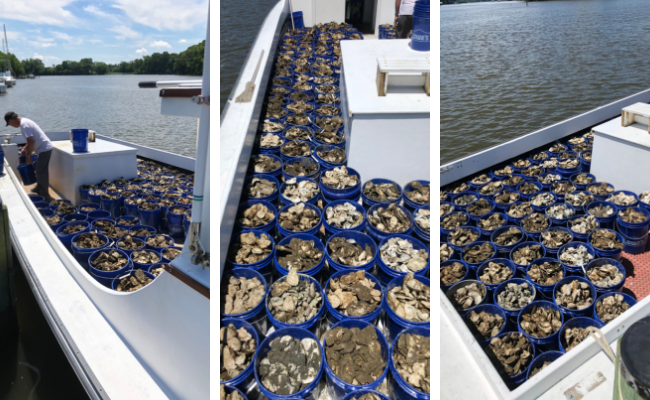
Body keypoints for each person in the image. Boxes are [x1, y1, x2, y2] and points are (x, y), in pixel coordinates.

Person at [5, 112, 54, 201]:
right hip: (42, 148)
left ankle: (46, 196)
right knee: (39, 171)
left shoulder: (24, 125)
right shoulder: (24, 122)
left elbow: (31, 141)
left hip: (45, 148)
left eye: (9, 124)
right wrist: (24, 148)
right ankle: (39, 188)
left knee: (41, 172)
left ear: (11, 120)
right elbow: (31, 140)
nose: (11, 125)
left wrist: (28, 155)